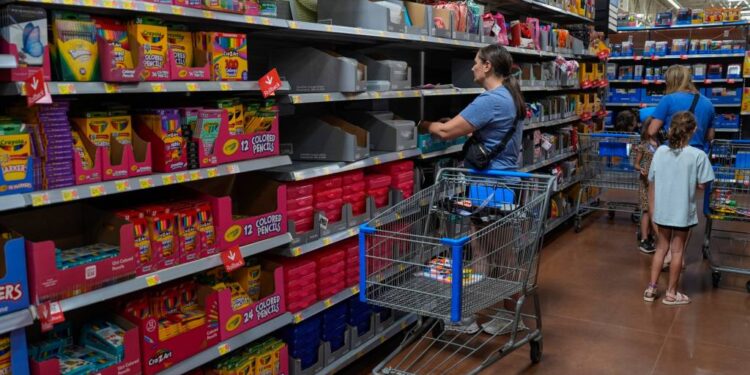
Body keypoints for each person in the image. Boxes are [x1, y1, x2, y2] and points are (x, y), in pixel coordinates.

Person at [420, 44, 525, 334]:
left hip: (490, 187)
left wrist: (422, 123)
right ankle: (476, 315)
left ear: (488, 66)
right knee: (490, 251)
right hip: (501, 185)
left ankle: (485, 316)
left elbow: (444, 132)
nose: (472, 68)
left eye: (476, 62)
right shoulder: (509, 96)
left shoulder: (491, 99)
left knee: (495, 254)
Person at [643, 111, 714, 305]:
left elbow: (652, 178)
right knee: (677, 251)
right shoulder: (698, 155)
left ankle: (651, 288)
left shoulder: (660, 152)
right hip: (682, 211)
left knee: (661, 248)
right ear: (692, 131)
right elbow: (703, 184)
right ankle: (672, 294)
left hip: (663, 210)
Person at [648, 65, 715, 150]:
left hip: (673, 152)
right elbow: (710, 136)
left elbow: (652, 131)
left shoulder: (668, 99)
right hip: (697, 153)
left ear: (670, 82)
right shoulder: (708, 103)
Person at [633, 118, 659, 253]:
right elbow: (636, 164)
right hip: (646, 182)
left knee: (655, 210)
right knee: (646, 210)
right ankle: (644, 239)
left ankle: (652, 236)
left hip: (658, 182)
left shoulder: (661, 145)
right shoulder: (643, 145)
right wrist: (641, 169)